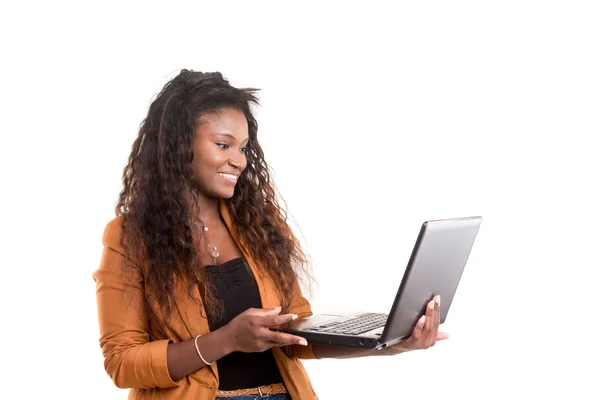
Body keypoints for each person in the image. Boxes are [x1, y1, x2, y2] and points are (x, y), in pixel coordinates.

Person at [93, 69, 448, 400]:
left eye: (244, 148)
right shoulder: (128, 238)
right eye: (223, 144)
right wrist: (227, 339)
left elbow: (296, 338)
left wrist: (392, 342)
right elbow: (122, 362)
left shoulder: (257, 226)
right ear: (179, 145)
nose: (240, 160)